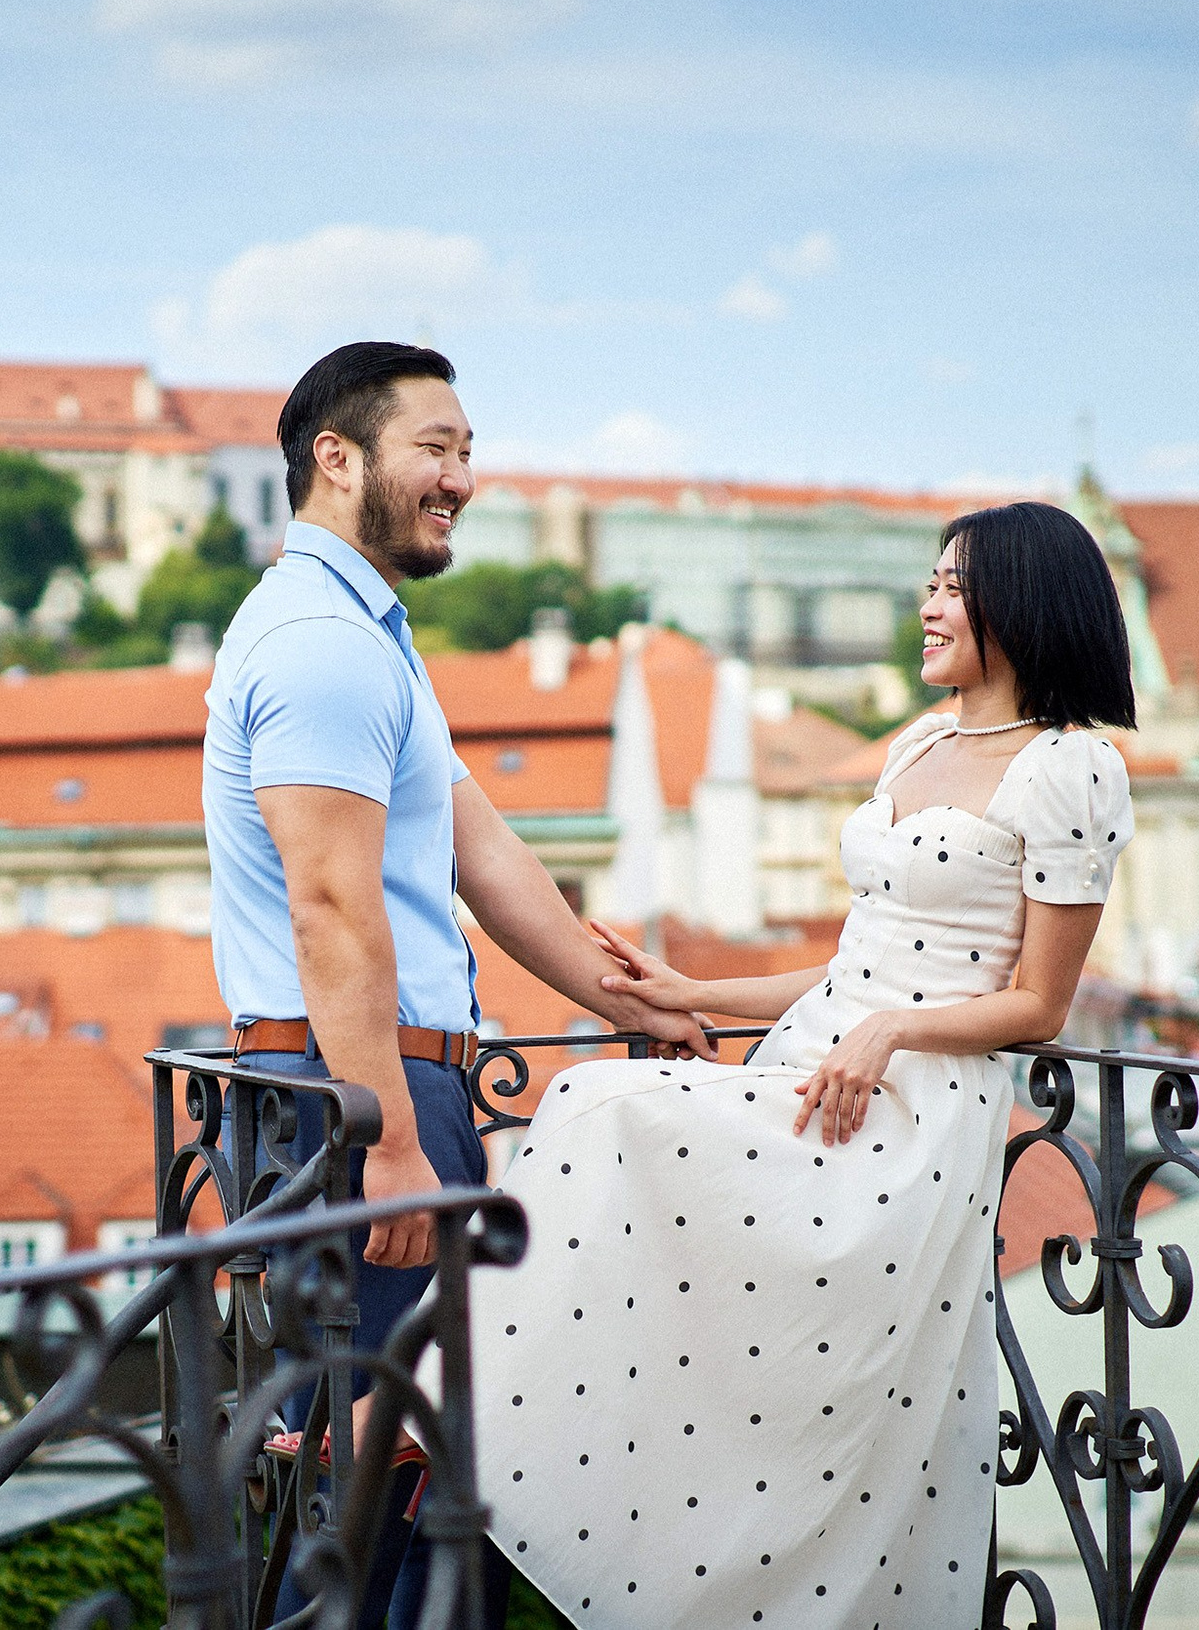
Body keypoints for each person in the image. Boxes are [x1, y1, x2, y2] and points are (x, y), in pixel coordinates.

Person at [470, 499, 1139, 1627]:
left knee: (597, 1103)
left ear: (1022, 605)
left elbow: (1039, 1003)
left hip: (915, 1112)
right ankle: (485, 1434)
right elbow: (856, 964)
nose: (926, 604)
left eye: (952, 585)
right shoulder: (918, 743)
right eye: (928, 580)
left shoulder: (1070, 769)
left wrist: (893, 1034)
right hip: (820, 1063)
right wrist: (698, 996)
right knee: (613, 1149)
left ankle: (451, 1421)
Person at [202, 341, 713, 1628]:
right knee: (362, 1510)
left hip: (371, 1094)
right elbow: (331, 906)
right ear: (336, 458)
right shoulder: (321, 641)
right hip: (352, 1106)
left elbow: (482, 851)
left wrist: (627, 1003)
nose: (462, 478)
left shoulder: (367, 634)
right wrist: (382, 1144)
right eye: (435, 447)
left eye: (467, 451)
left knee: (402, 1491)